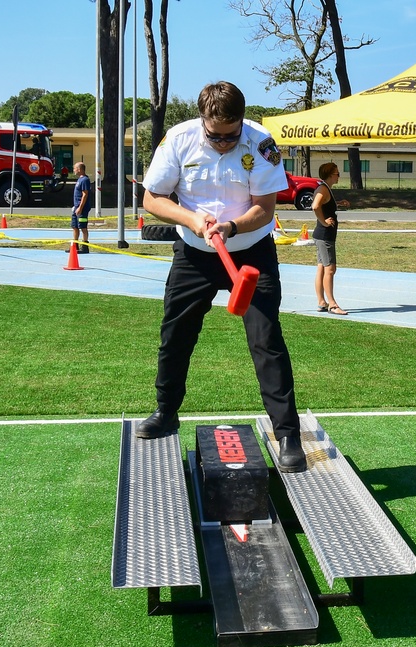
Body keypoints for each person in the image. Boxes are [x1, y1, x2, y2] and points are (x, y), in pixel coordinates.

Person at [137, 81, 306, 473]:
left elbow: (264, 209)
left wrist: (230, 227)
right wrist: (193, 219)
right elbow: (152, 198)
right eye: (217, 136)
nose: (226, 143)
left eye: (232, 136)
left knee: (267, 340)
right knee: (175, 334)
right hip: (195, 255)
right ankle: (166, 411)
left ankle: (287, 434)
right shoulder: (178, 140)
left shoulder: (261, 143)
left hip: (250, 256)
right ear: (203, 120)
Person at [311, 161, 348, 315]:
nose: (339, 176)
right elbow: (315, 206)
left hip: (323, 236)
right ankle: (332, 305)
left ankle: (321, 302)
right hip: (324, 236)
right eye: (337, 173)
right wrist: (323, 221)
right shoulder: (323, 189)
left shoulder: (326, 188)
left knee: (322, 268)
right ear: (330, 175)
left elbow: (325, 205)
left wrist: (338, 203)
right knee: (330, 269)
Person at [71, 162, 91, 254]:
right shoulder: (79, 179)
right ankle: (75, 246)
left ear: (79, 169)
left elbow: (85, 194)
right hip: (76, 207)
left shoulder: (85, 180)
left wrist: (80, 207)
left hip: (82, 208)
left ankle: (85, 246)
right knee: (75, 226)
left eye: (75, 168)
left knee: (83, 227)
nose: (74, 170)